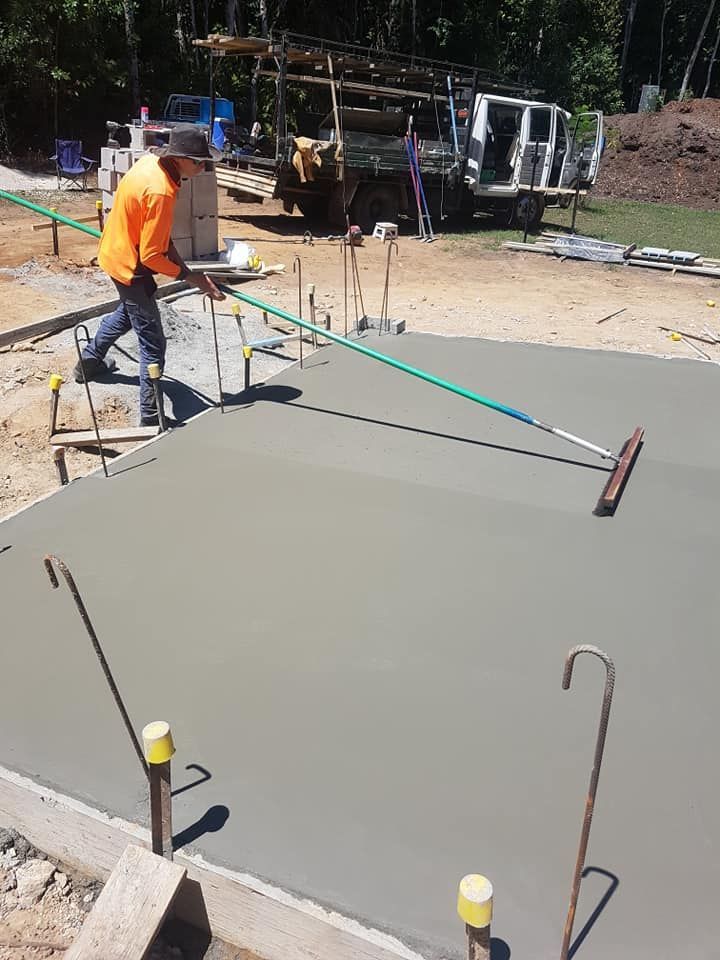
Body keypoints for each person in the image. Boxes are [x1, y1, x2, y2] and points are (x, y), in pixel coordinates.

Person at [74, 124, 225, 426]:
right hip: (131, 265)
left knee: (128, 314)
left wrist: (186, 268)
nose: (203, 166)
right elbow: (152, 255)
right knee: (153, 342)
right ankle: (150, 416)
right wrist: (190, 276)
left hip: (116, 252)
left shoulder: (150, 164)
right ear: (181, 158)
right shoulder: (160, 191)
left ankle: (88, 364)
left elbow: (159, 238)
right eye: (199, 161)